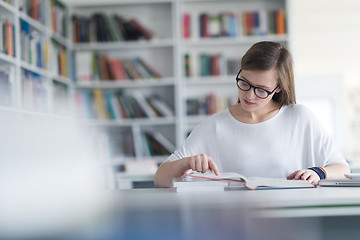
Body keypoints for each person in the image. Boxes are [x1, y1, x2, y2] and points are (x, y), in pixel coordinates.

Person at [154, 41, 350, 188]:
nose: (249, 95)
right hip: (235, 223)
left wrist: (318, 173)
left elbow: (342, 169)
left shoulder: (300, 118)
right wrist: (186, 163)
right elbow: (160, 178)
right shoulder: (215, 126)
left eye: (261, 89)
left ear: (279, 88)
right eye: (244, 83)